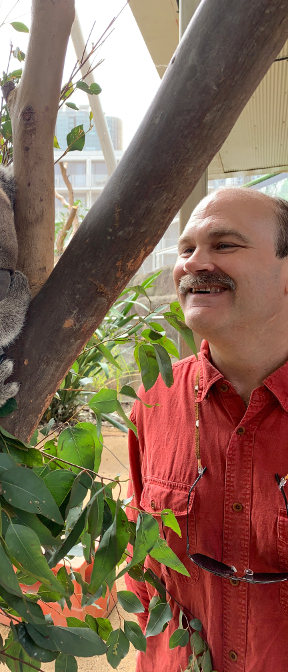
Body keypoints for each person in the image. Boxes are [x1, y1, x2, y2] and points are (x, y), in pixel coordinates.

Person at [125, 187, 288, 672]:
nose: (195, 263)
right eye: (187, 248)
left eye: (225, 245)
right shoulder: (152, 402)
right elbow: (142, 568)